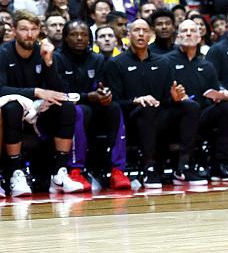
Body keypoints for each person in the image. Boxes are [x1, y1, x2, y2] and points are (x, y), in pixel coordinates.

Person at [104, 18, 205, 187]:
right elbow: (113, 101)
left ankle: (183, 167)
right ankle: (149, 167)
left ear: (150, 35)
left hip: (160, 119)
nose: (141, 34)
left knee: (190, 106)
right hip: (130, 121)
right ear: (128, 35)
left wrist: (174, 97)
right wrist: (135, 100)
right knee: (147, 106)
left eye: (144, 30)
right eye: (136, 30)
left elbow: (167, 99)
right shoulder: (116, 63)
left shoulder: (163, 62)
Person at [0, 11, 80, 195]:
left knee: (66, 106)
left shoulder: (44, 51)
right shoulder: (3, 53)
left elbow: (58, 91)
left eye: (34, 29)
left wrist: (49, 63)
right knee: (13, 107)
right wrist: (36, 91)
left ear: (39, 31)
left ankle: (59, 174)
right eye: (24, 29)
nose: (29, 34)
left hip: (38, 112)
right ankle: (15, 172)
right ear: (13, 30)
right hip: (10, 111)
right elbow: (1, 88)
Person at [54, 20, 131, 191]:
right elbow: (59, 93)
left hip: (93, 108)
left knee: (114, 107)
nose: (80, 38)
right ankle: (75, 170)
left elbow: (101, 87)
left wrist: (105, 95)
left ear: (90, 39)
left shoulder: (97, 59)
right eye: (74, 34)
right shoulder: (57, 58)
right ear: (65, 38)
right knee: (80, 110)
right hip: (64, 112)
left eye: (84, 35)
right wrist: (88, 96)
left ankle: (118, 170)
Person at [163, 19, 228, 181]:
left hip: (200, 115)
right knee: (189, 106)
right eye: (184, 31)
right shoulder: (166, 61)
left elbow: (214, 91)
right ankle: (183, 167)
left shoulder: (206, 65)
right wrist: (175, 97)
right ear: (177, 37)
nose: (188, 34)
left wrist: (222, 96)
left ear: (199, 38)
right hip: (174, 116)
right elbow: (160, 94)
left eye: (192, 31)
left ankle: (218, 166)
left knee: (227, 108)